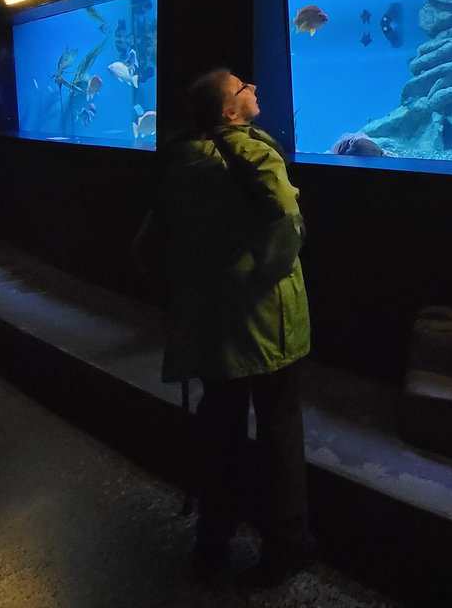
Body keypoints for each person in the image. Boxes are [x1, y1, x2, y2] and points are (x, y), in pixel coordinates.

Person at [152, 68, 314, 585]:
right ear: (229, 111)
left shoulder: (179, 161)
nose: (255, 90)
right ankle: (286, 548)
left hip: (211, 319)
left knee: (219, 429)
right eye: (244, 88)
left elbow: (155, 237)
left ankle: (212, 544)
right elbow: (288, 221)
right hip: (267, 318)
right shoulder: (254, 154)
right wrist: (267, 270)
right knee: (278, 431)